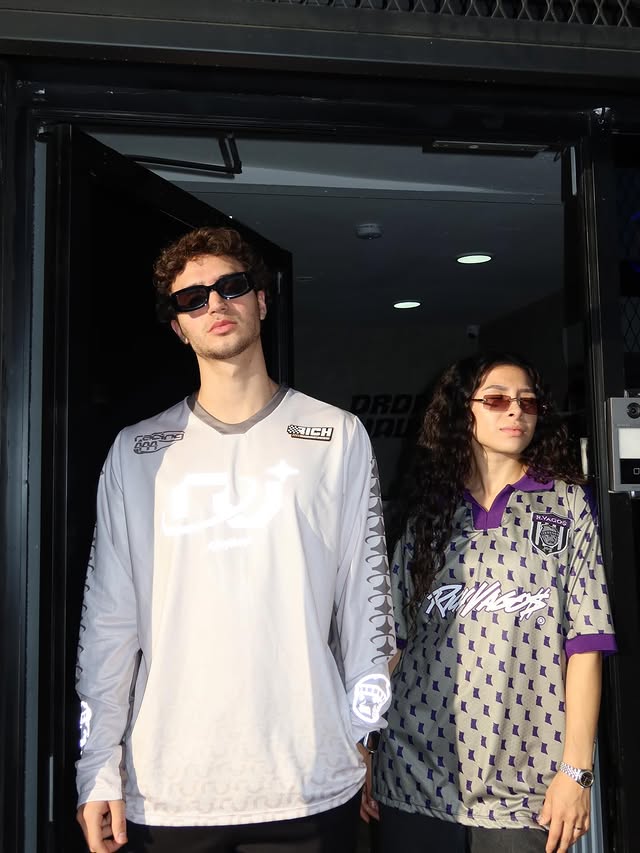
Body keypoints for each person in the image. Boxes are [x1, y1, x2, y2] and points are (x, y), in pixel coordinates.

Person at [75, 226, 395, 853]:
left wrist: (361, 730)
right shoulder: (138, 452)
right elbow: (109, 622)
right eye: (192, 299)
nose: (214, 305)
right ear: (178, 326)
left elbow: (367, 596)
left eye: (231, 287)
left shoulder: (336, 435)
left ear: (261, 301)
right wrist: (96, 767)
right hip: (170, 787)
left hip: (307, 779)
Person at [368, 352, 616, 853]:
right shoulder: (426, 515)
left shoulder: (566, 505)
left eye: (528, 402)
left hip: (528, 789)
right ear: (465, 412)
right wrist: (364, 744)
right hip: (414, 778)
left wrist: (577, 773)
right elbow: (388, 646)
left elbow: (585, 646)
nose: (515, 412)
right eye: (498, 400)